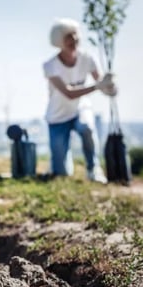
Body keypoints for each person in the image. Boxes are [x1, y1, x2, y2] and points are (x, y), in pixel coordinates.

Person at [43, 18, 116, 183]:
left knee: (87, 128)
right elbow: (68, 93)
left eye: (75, 36)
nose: (73, 40)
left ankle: (93, 169)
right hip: (58, 115)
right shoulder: (50, 66)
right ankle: (59, 161)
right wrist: (98, 86)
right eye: (68, 37)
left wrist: (110, 88)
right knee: (61, 173)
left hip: (80, 109)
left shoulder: (87, 59)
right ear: (59, 41)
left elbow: (101, 82)